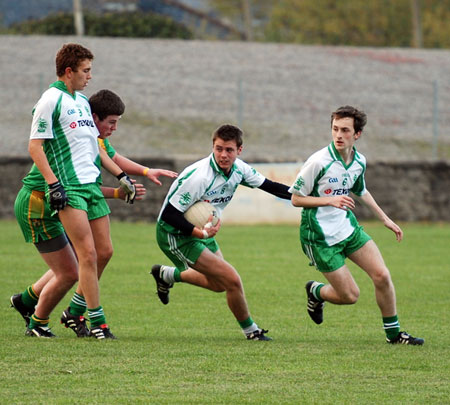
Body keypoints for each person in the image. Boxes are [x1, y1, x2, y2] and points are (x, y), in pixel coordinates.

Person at [289, 105, 424, 345]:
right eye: (335, 129)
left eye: (345, 130)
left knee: (382, 275)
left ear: (357, 134)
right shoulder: (318, 162)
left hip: (348, 229)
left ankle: (394, 335)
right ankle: (316, 291)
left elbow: (360, 188)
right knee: (350, 296)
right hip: (320, 237)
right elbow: (296, 199)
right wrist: (329, 199)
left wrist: (385, 218)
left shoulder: (359, 161)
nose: (339, 135)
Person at [26, 43, 133, 339]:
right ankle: (97, 322)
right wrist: (53, 184)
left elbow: (94, 148)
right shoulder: (50, 100)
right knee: (86, 255)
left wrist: (121, 175)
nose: (90, 76)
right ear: (69, 71)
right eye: (86, 71)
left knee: (105, 251)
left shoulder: (83, 101)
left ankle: (72, 311)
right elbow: (35, 147)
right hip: (69, 188)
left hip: (90, 187)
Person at [150, 124, 291, 340]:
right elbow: (169, 214)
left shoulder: (239, 169)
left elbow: (271, 186)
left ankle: (166, 275)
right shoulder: (200, 176)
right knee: (232, 280)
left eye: (229, 150)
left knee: (218, 284)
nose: (223, 155)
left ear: (239, 150)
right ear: (213, 147)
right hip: (175, 235)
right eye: (219, 149)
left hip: (202, 231)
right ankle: (251, 331)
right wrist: (198, 233)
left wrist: (305, 196)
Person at [59, 89, 178, 337]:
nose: (114, 127)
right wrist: (118, 187)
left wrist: (146, 172)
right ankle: (93, 320)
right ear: (94, 118)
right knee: (80, 260)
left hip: (90, 196)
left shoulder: (98, 138)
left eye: (116, 123)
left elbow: (113, 157)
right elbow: (80, 178)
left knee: (100, 253)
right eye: (111, 122)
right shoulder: (78, 136)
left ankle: (65, 309)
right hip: (68, 195)